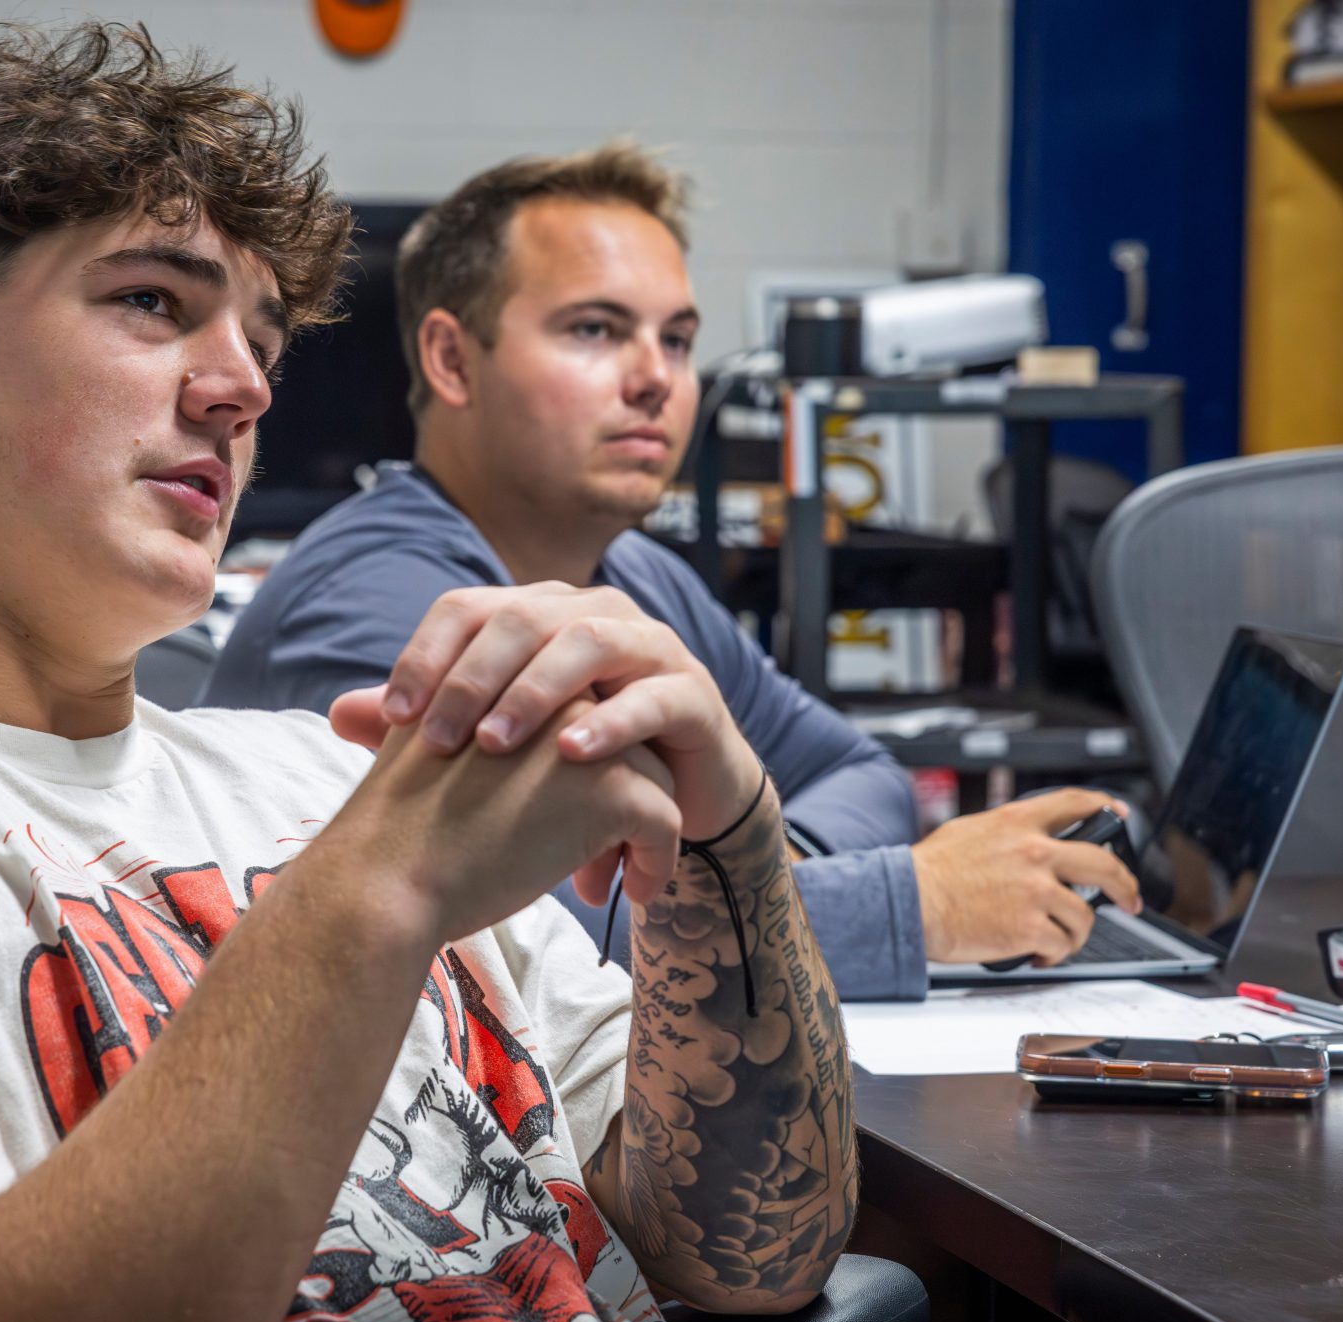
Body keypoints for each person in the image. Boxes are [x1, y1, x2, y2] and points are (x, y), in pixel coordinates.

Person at [0, 27, 856, 1322]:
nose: (242, 387)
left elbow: (744, 1258)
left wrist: (726, 846)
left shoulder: (327, 775)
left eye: (260, 338)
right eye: (152, 301)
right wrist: (370, 902)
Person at [204, 144, 1142, 998]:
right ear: (451, 359)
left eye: (679, 340)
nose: (656, 377)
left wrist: (774, 878)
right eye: (596, 330)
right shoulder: (379, 598)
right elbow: (526, 944)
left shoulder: (637, 575)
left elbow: (858, 769)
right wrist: (909, 902)